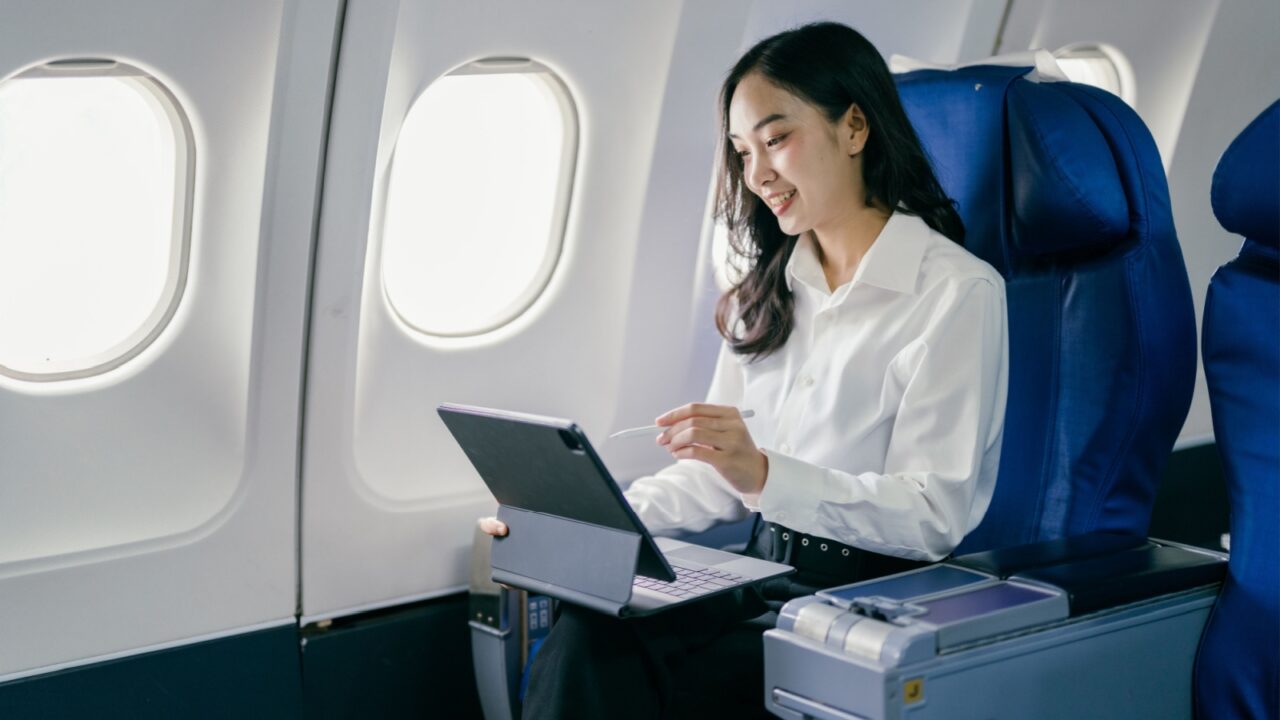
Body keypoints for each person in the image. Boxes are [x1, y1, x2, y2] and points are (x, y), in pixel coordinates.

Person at [479, 21, 1008, 719]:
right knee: (587, 639)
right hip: (760, 573)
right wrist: (587, 523)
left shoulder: (956, 292)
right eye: (741, 151)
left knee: (671, 687)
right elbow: (716, 474)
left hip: (871, 600)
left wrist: (764, 475)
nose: (756, 175)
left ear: (854, 127)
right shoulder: (772, 289)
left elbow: (932, 513)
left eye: (776, 139)